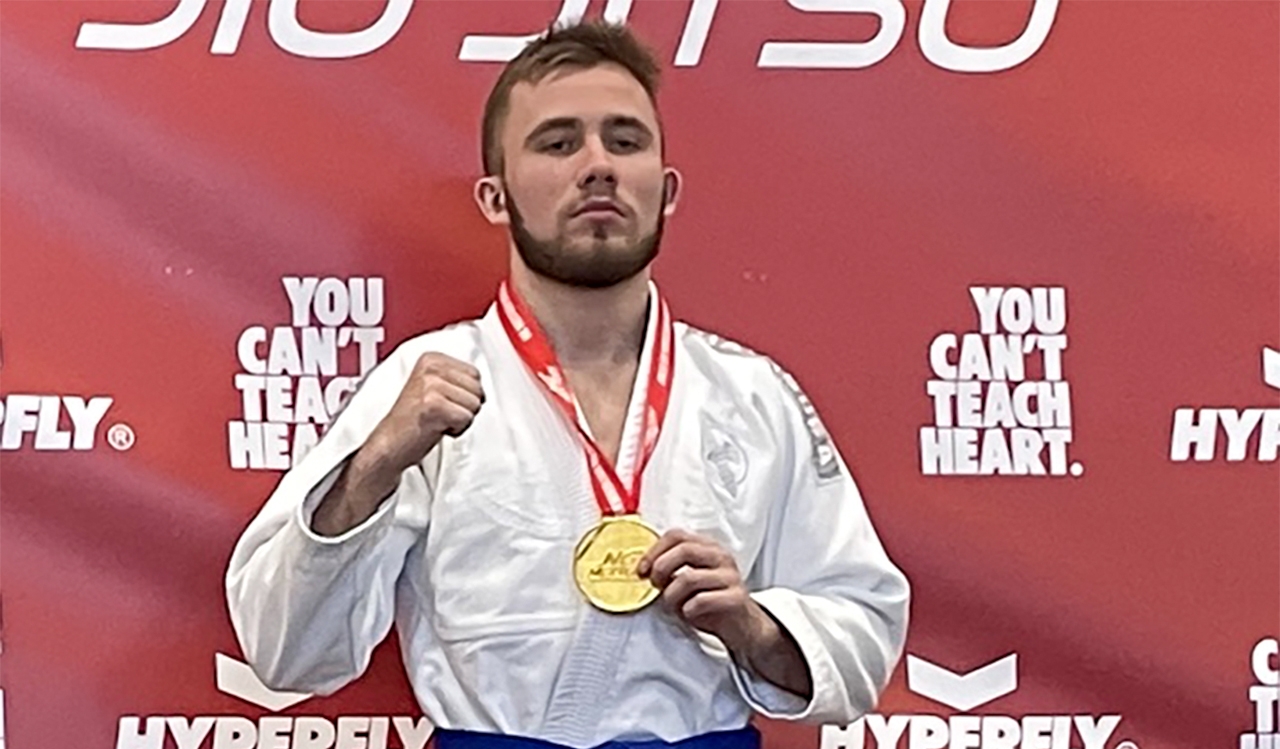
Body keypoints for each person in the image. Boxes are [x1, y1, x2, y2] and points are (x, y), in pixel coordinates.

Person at [226, 19, 908, 749]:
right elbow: (284, 651)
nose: (598, 165)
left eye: (625, 140)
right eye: (557, 142)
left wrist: (752, 626)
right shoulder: (421, 388)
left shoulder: (752, 395)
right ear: (495, 197)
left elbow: (863, 624)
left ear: (666, 189)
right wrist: (374, 468)